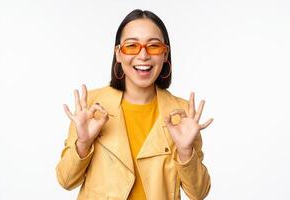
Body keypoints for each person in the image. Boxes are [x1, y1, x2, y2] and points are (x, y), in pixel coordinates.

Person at [56, 9, 213, 200]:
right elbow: (66, 180)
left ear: (165, 54)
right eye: (131, 46)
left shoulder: (183, 114)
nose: (143, 55)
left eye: (153, 46)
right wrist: (83, 143)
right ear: (118, 54)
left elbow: (199, 193)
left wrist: (185, 151)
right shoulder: (90, 107)